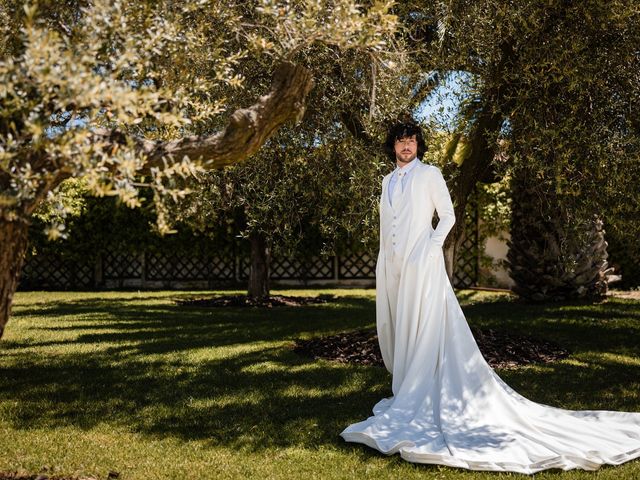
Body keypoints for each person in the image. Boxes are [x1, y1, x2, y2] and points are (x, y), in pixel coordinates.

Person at [340, 120, 640, 473]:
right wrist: (384, 262)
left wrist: (430, 250)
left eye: (412, 141)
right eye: (401, 142)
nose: (406, 146)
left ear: (419, 146)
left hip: (423, 263)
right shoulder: (387, 181)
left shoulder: (430, 174)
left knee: (425, 325)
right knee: (400, 323)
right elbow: (386, 226)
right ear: (392, 146)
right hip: (393, 266)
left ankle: (419, 392)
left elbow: (448, 216)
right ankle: (406, 387)